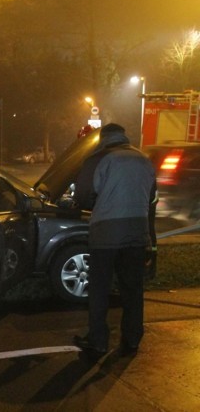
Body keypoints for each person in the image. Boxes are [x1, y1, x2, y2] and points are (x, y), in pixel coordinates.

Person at [72, 123, 156, 359]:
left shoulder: (99, 158)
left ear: (104, 138)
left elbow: (83, 196)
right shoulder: (143, 159)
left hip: (106, 232)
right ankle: (132, 339)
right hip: (137, 232)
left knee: (100, 289)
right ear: (124, 136)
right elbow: (151, 196)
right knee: (132, 288)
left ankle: (98, 341)